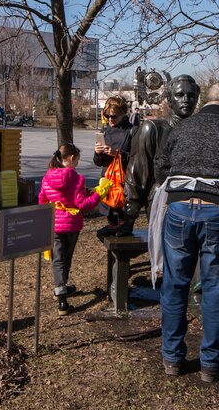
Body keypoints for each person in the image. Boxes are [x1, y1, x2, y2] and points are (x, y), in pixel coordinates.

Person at [155, 82, 219, 383]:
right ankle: (211, 364)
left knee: (175, 284)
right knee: (216, 287)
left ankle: (172, 357)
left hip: (177, 211)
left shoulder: (181, 129)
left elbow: (161, 171)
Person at [116, 75, 200, 237]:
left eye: (191, 96)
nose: (186, 100)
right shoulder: (153, 129)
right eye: (180, 95)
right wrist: (129, 220)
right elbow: (136, 175)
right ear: (169, 99)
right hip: (164, 206)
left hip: (197, 207)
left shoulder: (200, 131)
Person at [38, 144, 110, 316]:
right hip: (71, 224)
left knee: (58, 260)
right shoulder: (76, 177)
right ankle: (62, 293)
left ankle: (60, 289)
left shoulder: (47, 177)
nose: (77, 163)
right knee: (66, 258)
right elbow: (83, 204)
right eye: (77, 160)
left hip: (54, 223)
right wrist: (100, 193)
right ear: (71, 158)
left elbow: (42, 198)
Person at [93, 96, 136, 229]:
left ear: (123, 114)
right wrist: (97, 153)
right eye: (107, 115)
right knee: (110, 218)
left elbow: (137, 159)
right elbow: (98, 163)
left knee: (122, 219)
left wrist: (117, 154)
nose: (110, 119)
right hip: (107, 180)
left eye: (114, 116)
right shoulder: (104, 131)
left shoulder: (132, 131)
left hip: (124, 182)